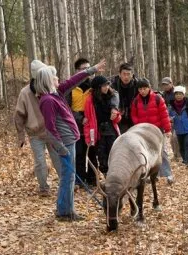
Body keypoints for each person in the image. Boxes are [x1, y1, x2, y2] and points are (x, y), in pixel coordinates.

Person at [34, 59, 106, 221]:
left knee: (69, 177)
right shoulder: (47, 101)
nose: (58, 79)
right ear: (47, 80)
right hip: (65, 143)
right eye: (55, 77)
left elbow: (73, 80)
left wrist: (92, 69)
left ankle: (66, 210)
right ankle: (64, 212)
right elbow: (50, 129)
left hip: (69, 140)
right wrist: (61, 148)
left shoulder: (56, 93)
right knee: (68, 177)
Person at [14, 60, 61, 197]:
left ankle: (65, 183)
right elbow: (19, 115)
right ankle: (43, 187)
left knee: (58, 158)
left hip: (52, 131)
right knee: (40, 161)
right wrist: (21, 136)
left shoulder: (52, 88)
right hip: (35, 133)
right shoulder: (25, 93)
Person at [131, 78, 174, 184]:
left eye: (144, 88)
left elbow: (164, 115)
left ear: (149, 88)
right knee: (148, 153)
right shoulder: (136, 101)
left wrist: (168, 129)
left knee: (162, 152)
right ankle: (154, 175)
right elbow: (134, 115)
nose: (142, 91)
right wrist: (138, 126)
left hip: (157, 130)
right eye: (140, 89)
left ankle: (168, 174)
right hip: (143, 132)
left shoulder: (157, 98)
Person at [68, 58, 98, 186]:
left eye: (89, 68)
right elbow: (66, 108)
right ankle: (79, 180)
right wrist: (80, 118)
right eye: (84, 69)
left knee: (92, 152)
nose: (87, 71)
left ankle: (93, 179)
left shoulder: (94, 85)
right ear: (77, 71)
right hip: (76, 124)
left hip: (92, 124)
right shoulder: (70, 86)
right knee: (79, 153)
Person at [84, 75, 121, 175]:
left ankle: (116, 177)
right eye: (103, 85)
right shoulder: (90, 101)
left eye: (107, 85)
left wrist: (116, 114)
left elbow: (117, 119)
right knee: (102, 157)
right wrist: (88, 138)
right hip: (98, 133)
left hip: (111, 131)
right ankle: (106, 177)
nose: (106, 87)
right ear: (97, 88)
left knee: (114, 154)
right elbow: (88, 121)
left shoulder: (112, 97)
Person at [111, 63, 139, 133]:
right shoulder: (113, 85)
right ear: (120, 75)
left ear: (132, 75)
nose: (126, 77)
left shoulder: (138, 85)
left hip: (135, 116)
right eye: (124, 74)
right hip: (119, 117)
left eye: (128, 74)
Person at [169, 85, 188, 167]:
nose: (178, 96)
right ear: (174, 95)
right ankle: (184, 160)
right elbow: (168, 117)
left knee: (187, 143)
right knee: (181, 146)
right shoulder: (171, 106)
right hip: (178, 130)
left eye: (180, 94)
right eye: (177, 94)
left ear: (183, 95)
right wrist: (170, 120)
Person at [161, 77, 181, 160]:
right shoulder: (163, 94)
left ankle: (179, 155)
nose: (165, 86)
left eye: (167, 84)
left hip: (177, 117)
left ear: (171, 83)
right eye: (164, 85)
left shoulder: (177, 92)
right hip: (168, 118)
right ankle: (175, 155)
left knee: (176, 137)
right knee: (172, 138)